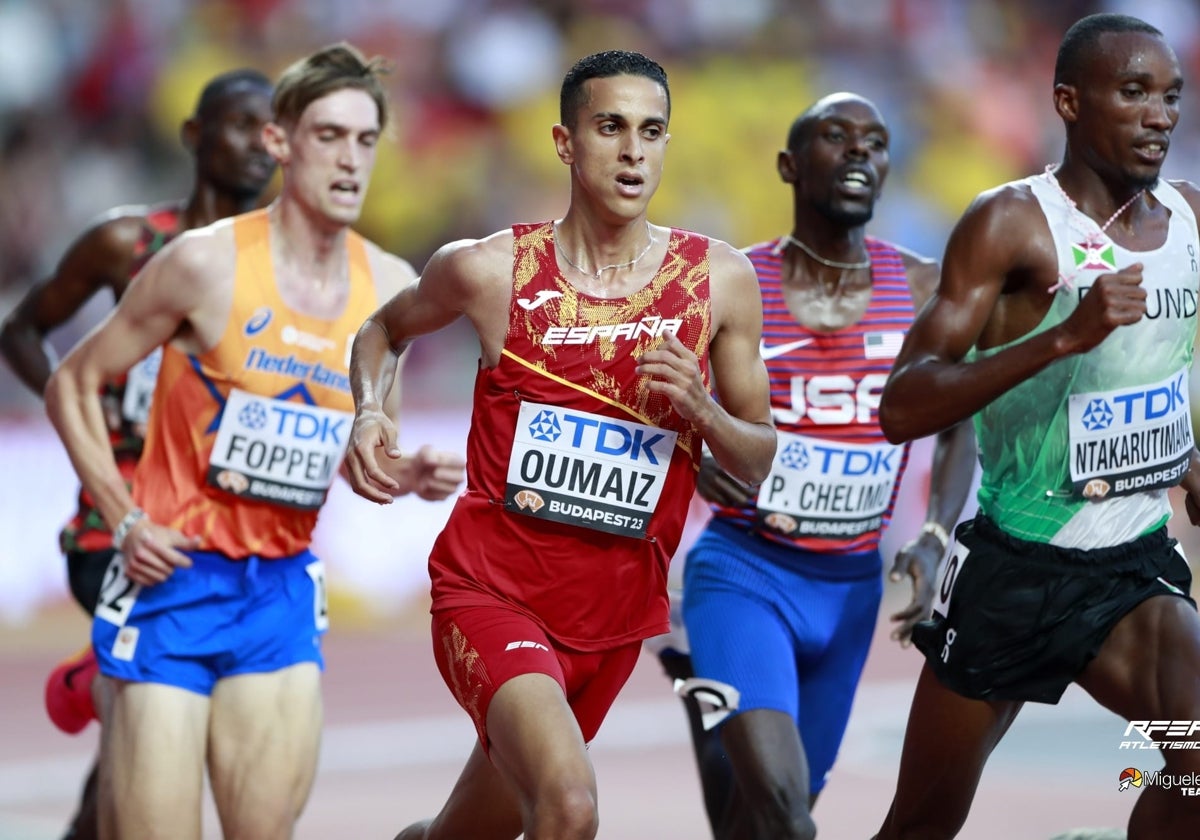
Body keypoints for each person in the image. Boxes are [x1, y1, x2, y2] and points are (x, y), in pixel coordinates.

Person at [344, 49, 776, 840]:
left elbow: (757, 461)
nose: (633, 150)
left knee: (467, 832)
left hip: (613, 622)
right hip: (491, 593)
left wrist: (702, 412)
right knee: (569, 805)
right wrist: (371, 414)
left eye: (651, 131)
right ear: (565, 143)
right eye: (610, 127)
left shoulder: (720, 280)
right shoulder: (488, 270)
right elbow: (382, 331)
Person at [43, 43, 464, 840]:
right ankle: (100, 675)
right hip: (172, 586)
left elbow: (358, 461)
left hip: (278, 594)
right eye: (329, 136)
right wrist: (124, 518)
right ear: (280, 144)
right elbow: (72, 380)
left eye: (366, 140)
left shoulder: (390, 290)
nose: (351, 160)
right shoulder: (204, 264)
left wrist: (402, 471)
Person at [872, 13, 1200, 839]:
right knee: (919, 827)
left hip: (1132, 571)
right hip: (1011, 577)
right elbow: (903, 405)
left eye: (1171, 95)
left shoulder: (1191, 220)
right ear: (1068, 101)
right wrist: (1064, 336)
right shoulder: (1011, 224)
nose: (1160, 114)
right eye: (1133, 93)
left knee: (1190, 765)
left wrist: (1191, 460)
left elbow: (1167, 365)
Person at [657, 93, 977, 840]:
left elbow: (963, 418)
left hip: (852, 592)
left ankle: (708, 711)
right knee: (788, 819)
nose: (860, 152)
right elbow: (647, 390)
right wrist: (690, 455)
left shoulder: (924, 287)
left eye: (876, 141)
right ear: (790, 166)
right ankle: (715, 694)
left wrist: (933, 534)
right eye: (836, 137)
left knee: (755, 821)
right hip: (745, 571)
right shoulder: (734, 283)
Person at [0, 66, 277, 840]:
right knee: (173, 716)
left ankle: (101, 692)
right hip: (116, 527)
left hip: (219, 529)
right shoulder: (129, 243)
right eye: (241, 125)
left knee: (144, 747)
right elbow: (19, 328)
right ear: (194, 137)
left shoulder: (287, 262)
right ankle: (99, 677)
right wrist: (75, 405)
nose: (260, 145)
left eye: (272, 131)